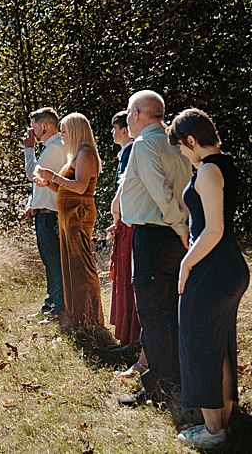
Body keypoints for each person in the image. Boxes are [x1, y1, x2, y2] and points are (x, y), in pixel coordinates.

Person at [169, 109, 248, 449]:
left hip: (212, 269)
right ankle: (221, 425)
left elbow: (214, 228)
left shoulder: (208, 170)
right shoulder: (225, 163)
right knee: (221, 348)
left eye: (182, 148)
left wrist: (186, 264)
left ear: (191, 140)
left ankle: (213, 431)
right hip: (229, 267)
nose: (183, 155)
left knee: (200, 346)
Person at [117, 90, 192, 407]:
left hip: (156, 236)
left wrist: (180, 229)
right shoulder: (175, 142)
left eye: (128, 115)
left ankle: (157, 388)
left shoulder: (145, 145)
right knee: (169, 312)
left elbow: (162, 195)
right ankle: (175, 382)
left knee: (153, 313)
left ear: (136, 114)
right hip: (172, 236)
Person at [34, 113, 105, 332]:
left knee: (81, 266)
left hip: (79, 214)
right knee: (70, 267)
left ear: (75, 131)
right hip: (69, 214)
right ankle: (77, 317)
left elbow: (81, 187)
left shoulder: (85, 154)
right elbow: (68, 188)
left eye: (64, 131)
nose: (61, 135)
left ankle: (89, 318)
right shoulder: (75, 154)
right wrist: (48, 184)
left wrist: (52, 176)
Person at [23, 107, 69, 320]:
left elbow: (33, 174)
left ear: (44, 126)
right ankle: (51, 303)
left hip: (50, 213)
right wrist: (32, 201)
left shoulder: (55, 148)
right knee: (48, 260)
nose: (30, 131)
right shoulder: (51, 147)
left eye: (33, 126)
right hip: (43, 210)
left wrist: (28, 149)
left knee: (54, 261)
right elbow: (41, 182)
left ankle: (59, 308)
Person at [106, 111, 142, 355]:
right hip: (125, 222)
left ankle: (132, 338)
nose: (112, 132)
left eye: (114, 128)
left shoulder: (132, 152)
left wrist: (119, 217)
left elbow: (127, 191)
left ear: (125, 131)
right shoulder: (126, 153)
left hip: (130, 224)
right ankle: (126, 337)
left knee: (128, 278)